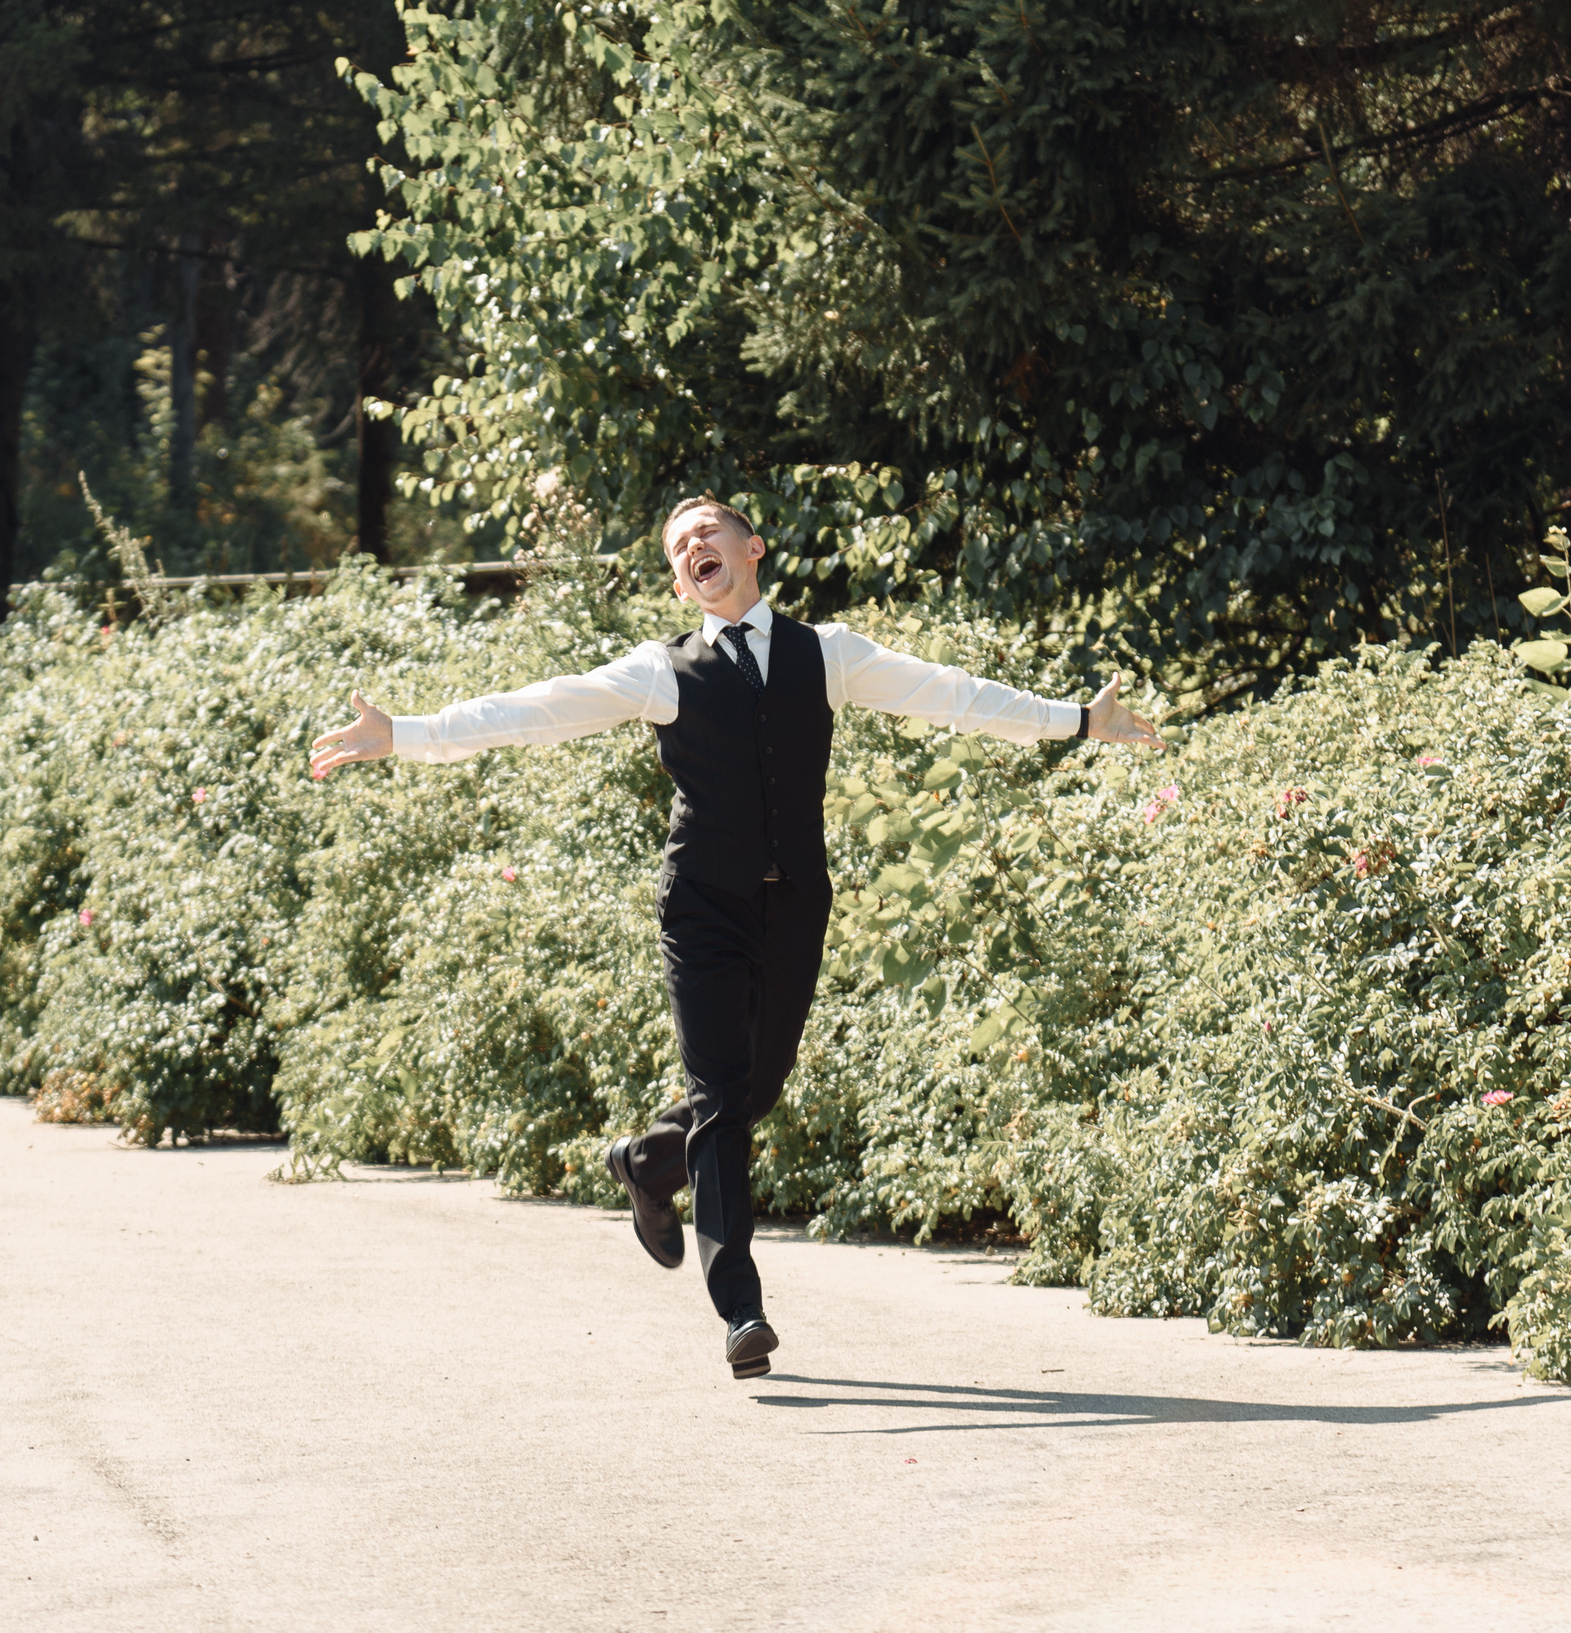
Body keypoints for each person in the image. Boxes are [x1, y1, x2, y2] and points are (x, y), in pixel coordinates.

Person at [309, 497, 1162, 1379]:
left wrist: (1077, 719)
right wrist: (405, 734)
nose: (691, 546)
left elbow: (949, 696)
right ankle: (742, 1309)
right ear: (682, 582)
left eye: (705, 531)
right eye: (678, 546)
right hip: (703, 907)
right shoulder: (660, 671)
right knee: (721, 1094)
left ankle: (644, 1163)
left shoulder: (825, 653)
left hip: (795, 903)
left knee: (756, 1089)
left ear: (751, 548)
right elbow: (534, 710)